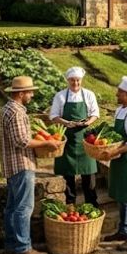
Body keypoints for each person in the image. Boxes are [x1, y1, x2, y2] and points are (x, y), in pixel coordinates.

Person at [0, 76, 64, 254]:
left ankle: (11, 245)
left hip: (11, 165)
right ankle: (23, 248)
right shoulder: (17, 112)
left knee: (12, 207)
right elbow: (21, 141)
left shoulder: (7, 109)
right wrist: (48, 142)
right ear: (21, 93)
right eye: (30, 91)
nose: (32, 95)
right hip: (21, 164)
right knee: (24, 208)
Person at [99, 76, 127, 251]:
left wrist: (114, 152)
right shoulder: (120, 110)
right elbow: (116, 133)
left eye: (119, 92)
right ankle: (123, 230)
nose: (117, 94)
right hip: (117, 159)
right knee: (121, 196)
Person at [49, 67, 99, 206]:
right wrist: (67, 123)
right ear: (68, 80)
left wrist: (87, 122)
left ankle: (92, 204)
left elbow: (95, 113)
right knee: (68, 175)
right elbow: (53, 116)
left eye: (77, 80)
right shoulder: (60, 96)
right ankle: (70, 205)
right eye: (72, 80)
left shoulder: (89, 95)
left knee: (88, 174)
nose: (75, 83)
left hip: (85, 139)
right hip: (67, 140)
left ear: (81, 80)